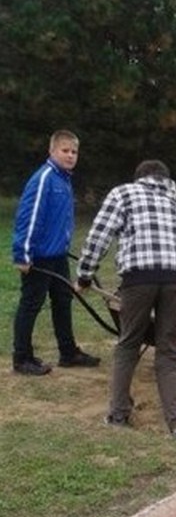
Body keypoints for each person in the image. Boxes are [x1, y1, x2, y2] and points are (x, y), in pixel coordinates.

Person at [75, 160, 176, 442]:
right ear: (165, 179)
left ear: (139, 178)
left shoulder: (123, 193)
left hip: (139, 278)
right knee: (170, 351)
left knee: (129, 344)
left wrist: (84, 276)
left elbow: (98, 237)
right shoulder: (174, 203)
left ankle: (118, 416)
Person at [11, 129, 101, 375]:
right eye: (65, 150)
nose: (70, 155)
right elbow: (29, 217)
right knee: (31, 303)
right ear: (52, 151)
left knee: (63, 300)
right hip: (38, 256)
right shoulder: (45, 179)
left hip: (57, 255)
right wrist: (23, 254)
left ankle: (68, 352)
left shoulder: (64, 180)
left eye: (74, 152)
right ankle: (22, 358)